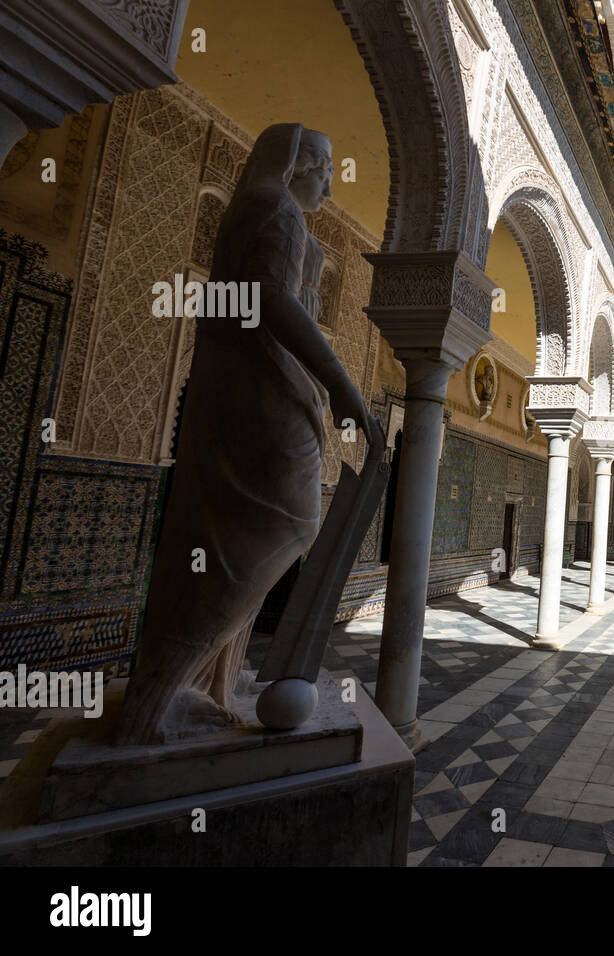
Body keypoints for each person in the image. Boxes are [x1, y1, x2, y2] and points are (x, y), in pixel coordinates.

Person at [116, 124, 381, 745]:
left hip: (265, 391)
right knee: (274, 531)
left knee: (253, 537)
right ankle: (153, 698)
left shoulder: (272, 211)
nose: (330, 181)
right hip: (261, 397)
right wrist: (340, 384)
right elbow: (270, 301)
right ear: (294, 167)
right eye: (323, 168)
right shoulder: (274, 209)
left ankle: (207, 686)